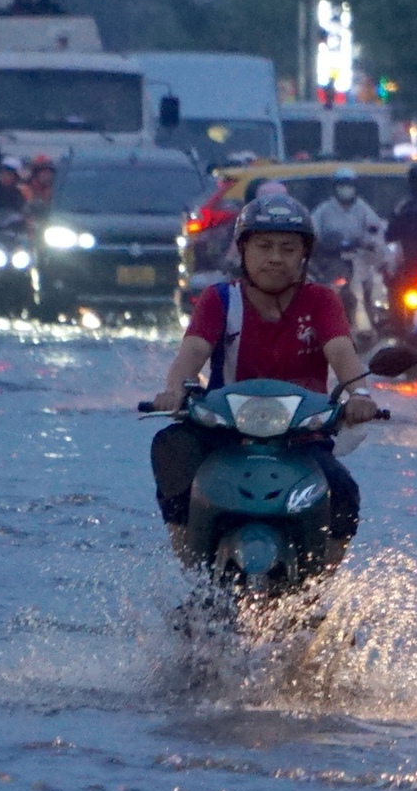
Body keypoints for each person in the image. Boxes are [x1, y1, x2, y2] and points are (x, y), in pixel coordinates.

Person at [147, 195, 381, 552]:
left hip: (302, 435)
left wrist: (359, 396)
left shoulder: (321, 301)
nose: (275, 257)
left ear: (303, 255)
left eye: (288, 248)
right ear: (243, 252)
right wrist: (174, 390)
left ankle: (316, 591)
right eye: (264, 246)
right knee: (173, 457)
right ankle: (191, 570)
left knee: (342, 491)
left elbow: (342, 354)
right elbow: (191, 353)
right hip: (225, 431)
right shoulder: (220, 300)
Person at [310, 168, 387, 332]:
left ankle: (372, 326)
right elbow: (312, 234)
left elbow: (376, 234)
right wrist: (323, 246)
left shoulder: (364, 209)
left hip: (361, 263)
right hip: (333, 264)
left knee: (371, 292)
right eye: (342, 184)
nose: (346, 188)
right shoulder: (324, 211)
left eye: (349, 184)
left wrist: (367, 244)